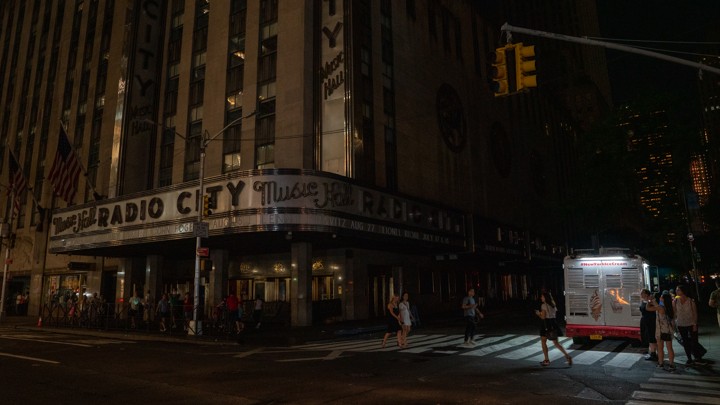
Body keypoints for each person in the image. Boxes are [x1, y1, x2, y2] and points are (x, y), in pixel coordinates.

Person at [535, 292, 572, 366]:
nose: (541, 298)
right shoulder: (553, 305)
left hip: (546, 324)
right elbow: (554, 315)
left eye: (542, 297)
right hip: (553, 324)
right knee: (556, 343)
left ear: (546, 297)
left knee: (543, 342)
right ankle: (567, 356)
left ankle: (546, 360)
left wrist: (538, 313)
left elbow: (543, 317)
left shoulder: (543, 305)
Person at [673, 285, 701, 365]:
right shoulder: (675, 301)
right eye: (676, 290)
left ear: (683, 291)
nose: (676, 291)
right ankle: (689, 358)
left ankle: (697, 356)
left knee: (694, 341)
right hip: (681, 324)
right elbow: (674, 313)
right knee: (685, 342)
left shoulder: (690, 300)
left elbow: (695, 313)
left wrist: (695, 324)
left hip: (691, 323)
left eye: (678, 290)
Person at [648, 291, 675, 371]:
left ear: (663, 299)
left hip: (660, 330)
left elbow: (648, 308)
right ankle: (671, 364)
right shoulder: (670, 307)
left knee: (660, 348)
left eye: (661, 297)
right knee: (670, 348)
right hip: (668, 330)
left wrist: (650, 300)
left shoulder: (660, 307)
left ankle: (661, 363)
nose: (660, 298)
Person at [639, 289, 658, 361]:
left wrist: (650, 301)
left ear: (646, 294)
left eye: (642, 293)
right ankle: (652, 352)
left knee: (651, 336)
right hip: (645, 320)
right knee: (647, 336)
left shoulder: (651, 301)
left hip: (651, 321)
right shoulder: (643, 301)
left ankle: (654, 353)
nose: (641, 294)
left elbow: (656, 308)